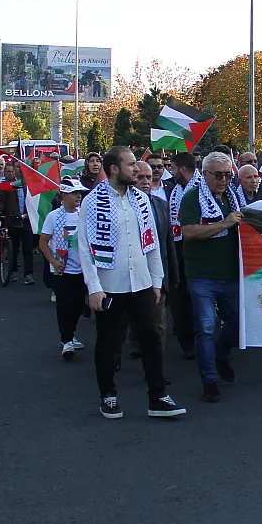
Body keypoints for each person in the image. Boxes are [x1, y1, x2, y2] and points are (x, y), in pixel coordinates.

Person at [78, 145, 183, 420]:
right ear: (114, 169)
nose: (137, 169)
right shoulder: (92, 201)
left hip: (142, 284)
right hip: (109, 285)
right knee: (109, 342)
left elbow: (151, 244)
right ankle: (108, 396)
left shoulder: (140, 199)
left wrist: (157, 281)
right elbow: (85, 247)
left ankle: (158, 396)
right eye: (131, 165)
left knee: (151, 337)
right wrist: (94, 287)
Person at [180, 152, 244, 403]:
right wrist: (224, 224)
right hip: (202, 275)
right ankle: (209, 380)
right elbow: (189, 232)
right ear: (204, 174)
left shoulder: (233, 197)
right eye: (219, 175)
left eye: (229, 174)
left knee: (237, 323)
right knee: (206, 328)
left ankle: (220, 355)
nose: (224, 179)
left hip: (230, 273)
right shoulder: (192, 198)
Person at [39, 178, 89, 361]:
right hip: (62, 270)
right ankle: (66, 340)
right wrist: (53, 261)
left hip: (81, 270)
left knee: (78, 306)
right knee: (64, 306)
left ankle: (72, 333)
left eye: (80, 194)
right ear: (64, 195)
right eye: (75, 193)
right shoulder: (54, 216)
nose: (78, 197)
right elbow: (43, 242)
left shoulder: (83, 214)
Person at [132, 160, 174, 361]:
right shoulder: (122, 207)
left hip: (156, 277)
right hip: (128, 278)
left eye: (148, 177)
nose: (145, 181)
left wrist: (171, 276)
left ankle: (157, 370)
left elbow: (168, 243)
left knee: (158, 326)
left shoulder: (161, 205)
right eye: (140, 177)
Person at [165, 152, 199, 358]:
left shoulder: (202, 188)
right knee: (180, 296)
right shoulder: (175, 190)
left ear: (183, 170)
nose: (171, 172)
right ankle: (186, 339)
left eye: (173, 168)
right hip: (178, 248)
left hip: (198, 248)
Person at [0, 161, 36, 285]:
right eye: (17, 167)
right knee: (13, 248)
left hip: (27, 221)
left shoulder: (30, 184)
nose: (20, 170)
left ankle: (28, 274)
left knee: (28, 249)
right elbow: (1, 201)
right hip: (13, 220)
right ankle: (12, 271)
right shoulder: (9, 185)